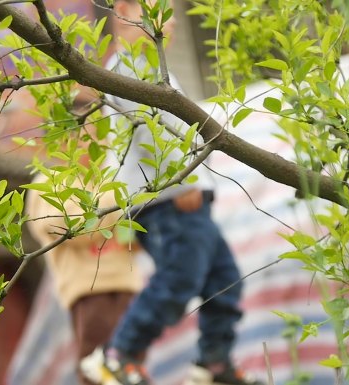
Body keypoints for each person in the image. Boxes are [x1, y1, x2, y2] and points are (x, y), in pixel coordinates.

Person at [80, 1, 264, 384]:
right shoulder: (130, 68)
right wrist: (186, 181)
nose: (173, 20)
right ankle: (117, 354)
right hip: (169, 199)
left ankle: (214, 364)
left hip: (184, 200)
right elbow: (152, 133)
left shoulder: (150, 67)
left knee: (224, 280)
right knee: (177, 279)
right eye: (161, 10)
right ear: (126, 11)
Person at [25, 171, 143, 385]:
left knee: (131, 366)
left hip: (128, 284)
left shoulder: (109, 176)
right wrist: (114, 208)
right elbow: (70, 227)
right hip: (90, 288)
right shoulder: (49, 182)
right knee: (98, 367)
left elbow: (135, 237)